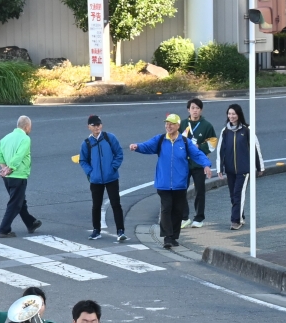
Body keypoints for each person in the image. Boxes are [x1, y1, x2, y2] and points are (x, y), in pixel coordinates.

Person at [130, 113, 212, 248]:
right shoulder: (160, 139)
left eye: (171, 123)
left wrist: (206, 165)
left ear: (178, 126)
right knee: (166, 208)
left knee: (178, 211)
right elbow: (147, 146)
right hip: (163, 183)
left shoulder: (185, 142)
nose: (168, 126)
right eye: (167, 123)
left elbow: (197, 154)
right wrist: (137, 146)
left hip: (180, 184)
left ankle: (174, 236)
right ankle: (167, 237)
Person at [216, 103, 265, 231]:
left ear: (238, 115)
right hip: (230, 169)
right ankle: (240, 216)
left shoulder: (247, 130)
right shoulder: (225, 131)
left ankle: (235, 220)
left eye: (234, 114)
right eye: (229, 114)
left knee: (238, 194)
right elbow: (220, 150)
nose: (231, 116)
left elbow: (255, 148)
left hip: (244, 169)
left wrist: (260, 167)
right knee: (233, 195)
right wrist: (219, 168)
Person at [79, 115, 125, 242]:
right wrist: (91, 173)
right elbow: (83, 160)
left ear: (101, 125)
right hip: (96, 180)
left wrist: (113, 167)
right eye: (93, 125)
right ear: (89, 127)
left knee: (116, 204)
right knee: (96, 205)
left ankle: (120, 231)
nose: (96, 127)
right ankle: (96, 230)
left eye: (98, 124)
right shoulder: (87, 143)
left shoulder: (110, 138)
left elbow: (119, 153)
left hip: (111, 178)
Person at [0, 116, 41, 238]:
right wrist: (10, 168)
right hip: (18, 175)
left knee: (20, 200)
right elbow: (19, 156)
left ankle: (31, 223)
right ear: (26, 126)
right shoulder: (25, 139)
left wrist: (4, 168)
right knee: (15, 203)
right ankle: (4, 229)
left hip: (7, 178)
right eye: (30, 127)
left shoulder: (5, 138)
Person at [180, 98, 216, 228]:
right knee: (181, 189)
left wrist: (199, 147)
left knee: (199, 190)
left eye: (197, 108)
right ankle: (184, 217)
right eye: (193, 108)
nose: (195, 110)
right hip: (184, 163)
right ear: (188, 109)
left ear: (201, 110)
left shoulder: (207, 125)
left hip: (199, 163)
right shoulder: (182, 124)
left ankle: (199, 218)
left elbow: (212, 143)